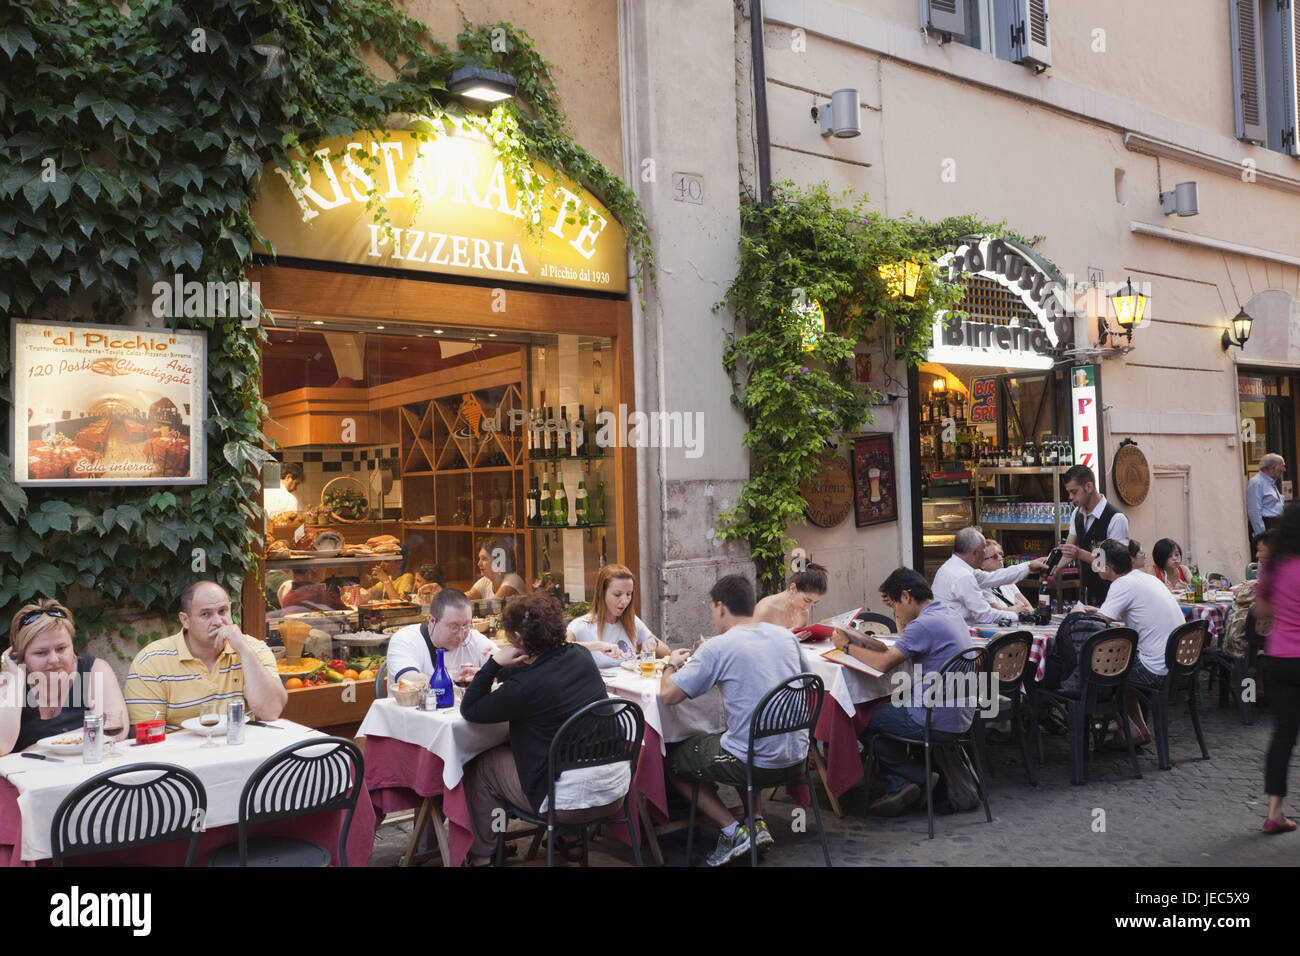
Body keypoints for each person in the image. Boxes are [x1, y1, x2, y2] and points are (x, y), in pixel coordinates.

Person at [461, 593, 628, 866]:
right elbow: (542, 675)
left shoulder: (526, 687)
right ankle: (570, 841)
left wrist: (492, 664)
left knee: (483, 765)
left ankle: (483, 856)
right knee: (559, 752)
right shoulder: (581, 656)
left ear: (517, 637)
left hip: (567, 802)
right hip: (613, 791)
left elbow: (471, 709)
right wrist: (505, 670)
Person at [659, 575, 806, 866]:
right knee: (736, 734)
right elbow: (802, 679)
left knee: (672, 759)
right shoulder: (785, 635)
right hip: (797, 756)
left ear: (720, 607)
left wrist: (669, 665)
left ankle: (732, 831)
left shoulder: (719, 646)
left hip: (755, 762)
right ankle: (756, 822)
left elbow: (669, 695)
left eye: (712, 609)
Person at [832, 568, 975, 816]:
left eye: (894, 606)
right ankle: (903, 781)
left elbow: (884, 663)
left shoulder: (924, 625)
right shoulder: (948, 613)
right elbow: (905, 640)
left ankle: (911, 779)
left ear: (906, 597)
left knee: (862, 717)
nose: (894, 612)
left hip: (933, 718)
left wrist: (846, 646)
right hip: (960, 714)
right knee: (886, 712)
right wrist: (900, 614)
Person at [124, 581, 286, 728]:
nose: (217, 621)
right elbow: (146, 734)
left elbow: (271, 712)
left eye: (223, 611)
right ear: (185, 620)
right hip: (178, 758)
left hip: (240, 751)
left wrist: (244, 651)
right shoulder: (152, 661)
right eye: (205, 614)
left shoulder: (253, 650)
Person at [1075, 539, 1185, 744]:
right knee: (1121, 665)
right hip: (1176, 663)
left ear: (1107, 569)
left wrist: (1079, 612)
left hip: (1155, 669)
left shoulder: (1122, 584)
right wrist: (1098, 611)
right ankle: (1137, 730)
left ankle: (1125, 729)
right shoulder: (1145, 578)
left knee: (1103, 671)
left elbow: (1099, 624)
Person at [0, 599, 129, 756]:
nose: (54, 660)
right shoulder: (8, 682)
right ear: (19, 656)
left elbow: (113, 729)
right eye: (41, 653)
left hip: (87, 773)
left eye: (61, 648)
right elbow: (2, 747)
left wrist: (38, 748)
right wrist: (14, 683)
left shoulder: (93, 670)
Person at [1253, 500, 1300, 832]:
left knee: (1283, 735)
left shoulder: (1273, 566)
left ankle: (1274, 812)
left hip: (1278, 658)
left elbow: (1261, 612)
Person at [933, 527, 1046, 625]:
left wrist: (1029, 565)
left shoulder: (956, 567)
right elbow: (985, 615)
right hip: (957, 634)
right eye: (983, 550)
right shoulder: (963, 576)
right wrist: (1019, 616)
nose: (984, 555)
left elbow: (993, 577)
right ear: (975, 553)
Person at [1053, 464, 1130, 606]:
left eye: (1074, 492)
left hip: (1112, 595)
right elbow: (1069, 550)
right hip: (1087, 592)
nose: (1070, 497)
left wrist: (1080, 553)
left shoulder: (1116, 518)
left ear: (1089, 487)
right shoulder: (1077, 514)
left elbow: (1117, 565)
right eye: (1069, 492)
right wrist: (1054, 569)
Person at [387, 588, 495, 689]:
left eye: (466, 625)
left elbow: (503, 666)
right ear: (432, 621)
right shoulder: (405, 639)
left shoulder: (473, 638)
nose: (461, 635)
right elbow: (408, 680)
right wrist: (453, 680)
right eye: (454, 627)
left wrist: (489, 672)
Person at [566, 563, 666, 668]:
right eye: (617, 594)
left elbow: (667, 652)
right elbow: (559, 650)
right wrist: (597, 646)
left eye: (628, 594)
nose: (625, 601)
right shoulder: (582, 625)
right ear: (602, 593)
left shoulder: (632, 621)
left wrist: (653, 641)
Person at [754, 562, 829, 630]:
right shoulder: (766, 610)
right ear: (793, 588)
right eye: (807, 600)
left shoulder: (804, 613)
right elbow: (754, 643)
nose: (808, 608)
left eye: (814, 603)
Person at [1248, 453, 1286, 559]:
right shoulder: (1256, 483)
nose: (1284, 469)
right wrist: (1263, 537)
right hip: (1267, 527)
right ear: (1271, 467)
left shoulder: (1270, 483)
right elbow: (1254, 512)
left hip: (1275, 527)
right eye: (1282, 465)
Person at [979, 542, 1033, 612]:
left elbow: (1029, 607)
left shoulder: (1007, 580)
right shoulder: (982, 585)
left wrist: (1013, 609)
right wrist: (1018, 606)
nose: (1000, 558)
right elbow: (997, 613)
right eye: (994, 556)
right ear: (981, 564)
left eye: (1000, 554)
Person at [280, 567, 349, 612]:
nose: (326, 568)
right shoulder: (325, 597)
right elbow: (350, 616)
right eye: (323, 564)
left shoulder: (288, 597)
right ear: (314, 568)